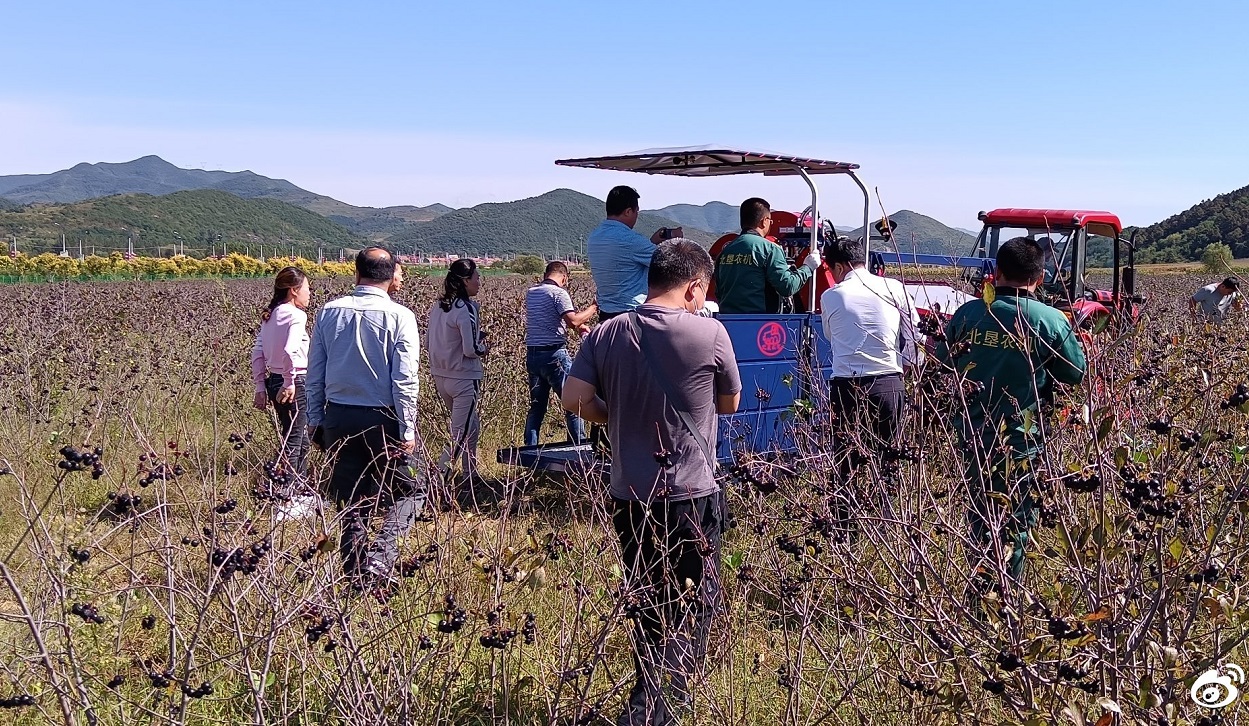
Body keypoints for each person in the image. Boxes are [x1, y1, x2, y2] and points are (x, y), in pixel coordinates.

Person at [562, 239, 742, 726]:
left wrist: (614, 414)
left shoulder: (606, 333)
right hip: (691, 494)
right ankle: (660, 708)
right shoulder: (711, 334)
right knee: (694, 601)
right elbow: (729, 405)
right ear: (695, 286)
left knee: (646, 599)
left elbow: (574, 398)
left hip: (629, 494)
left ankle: (648, 696)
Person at [935, 237, 1086, 597]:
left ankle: (980, 591)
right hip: (1021, 435)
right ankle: (1004, 599)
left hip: (972, 431)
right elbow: (1075, 373)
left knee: (980, 510)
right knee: (1015, 517)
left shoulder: (968, 314)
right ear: (1041, 276)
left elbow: (943, 362)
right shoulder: (1050, 320)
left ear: (996, 272)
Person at [305, 246, 427, 585]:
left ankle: (354, 570)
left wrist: (315, 419)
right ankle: (381, 558)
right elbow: (404, 379)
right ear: (390, 276)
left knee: (351, 496)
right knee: (412, 491)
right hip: (381, 419)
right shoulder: (400, 317)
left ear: (356, 273)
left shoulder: (329, 312)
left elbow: (316, 372)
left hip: (339, 416)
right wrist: (407, 429)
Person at [818, 235, 920, 485]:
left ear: (839, 267)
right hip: (888, 383)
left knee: (846, 462)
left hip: (847, 387)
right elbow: (915, 332)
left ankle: (845, 519)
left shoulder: (832, 296)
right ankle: (885, 517)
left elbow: (830, 336)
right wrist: (907, 364)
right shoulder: (894, 287)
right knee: (889, 460)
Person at [250, 266, 320, 520]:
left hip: (273, 380)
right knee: (295, 439)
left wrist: (261, 386)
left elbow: (257, 353)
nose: (309, 294)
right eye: (307, 289)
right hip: (295, 382)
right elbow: (291, 351)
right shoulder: (296, 316)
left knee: (295, 436)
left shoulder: (270, 316)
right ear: (293, 291)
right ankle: (287, 496)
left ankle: (296, 490)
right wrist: (290, 382)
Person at [426, 259, 490, 484]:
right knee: (459, 433)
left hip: (440, 375)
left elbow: (429, 341)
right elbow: (470, 349)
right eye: (476, 277)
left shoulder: (438, 306)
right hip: (463, 377)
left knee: (471, 424)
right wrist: (484, 347)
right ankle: (436, 481)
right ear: (465, 281)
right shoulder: (466, 309)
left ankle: (470, 475)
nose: (479, 281)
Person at [523, 260, 597, 446]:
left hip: (533, 355)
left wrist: (578, 327)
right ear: (564, 277)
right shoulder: (558, 293)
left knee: (537, 408)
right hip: (554, 355)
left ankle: (529, 453)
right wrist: (594, 307)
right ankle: (578, 450)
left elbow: (550, 321)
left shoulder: (531, 293)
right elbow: (572, 321)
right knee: (573, 404)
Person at [586, 185, 681, 321]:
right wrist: (676, 240)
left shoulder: (594, 237)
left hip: (605, 314)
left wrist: (652, 242)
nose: (637, 216)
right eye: (636, 211)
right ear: (628, 211)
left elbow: (626, 258)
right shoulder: (630, 239)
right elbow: (667, 261)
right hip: (631, 314)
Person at [713, 197, 820, 314]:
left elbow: (718, 292)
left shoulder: (725, 251)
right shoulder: (769, 249)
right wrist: (808, 267)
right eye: (770, 221)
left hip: (726, 322)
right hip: (759, 324)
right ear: (764, 221)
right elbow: (787, 286)